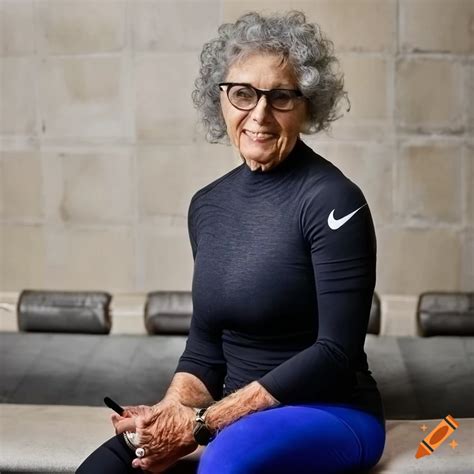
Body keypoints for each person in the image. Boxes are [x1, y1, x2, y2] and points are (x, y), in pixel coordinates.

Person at [77, 10, 385, 474]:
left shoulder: (334, 200)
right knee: (105, 469)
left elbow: (335, 353)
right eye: (243, 94)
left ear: (308, 105)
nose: (259, 114)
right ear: (220, 101)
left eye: (280, 97)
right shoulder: (207, 205)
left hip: (331, 411)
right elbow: (205, 348)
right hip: (229, 419)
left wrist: (202, 424)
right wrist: (169, 414)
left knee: (227, 462)